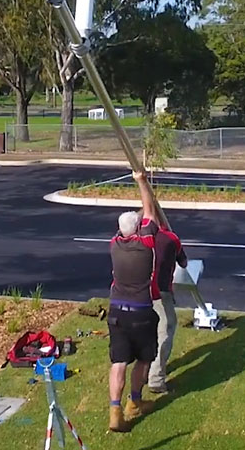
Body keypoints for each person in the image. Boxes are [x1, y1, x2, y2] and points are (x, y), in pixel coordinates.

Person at [107, 170, 160, 433]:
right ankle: (134, 402)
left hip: (117, 310)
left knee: (118, 362)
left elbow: (141, 217)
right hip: (141, 311)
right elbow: (150, 211)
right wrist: (141, 181)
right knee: (143, 359)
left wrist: (137, 215)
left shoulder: (115, 244)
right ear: (138, 230)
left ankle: (115, 410)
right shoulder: (146, 244)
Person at [148, 220, 187, 394]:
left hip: (138, 292)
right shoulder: (171, 238)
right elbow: (184, 262)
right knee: (166, 330)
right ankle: (155, 378)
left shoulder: (140, 237)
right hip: (161, 292)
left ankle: (147, 368)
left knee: (148, 333)